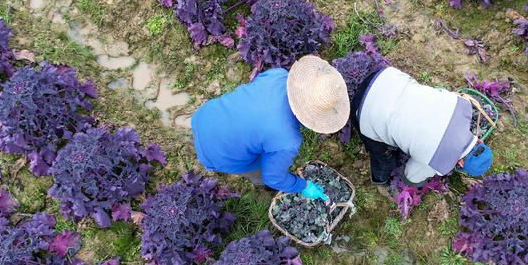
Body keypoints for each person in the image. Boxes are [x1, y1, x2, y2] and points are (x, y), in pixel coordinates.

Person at [191, 55, 349, 199]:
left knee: (258, 137)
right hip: (215, 155)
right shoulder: (287, 141)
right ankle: (262, 186)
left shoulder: (278, 75)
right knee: (261, 172)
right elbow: (273, 177)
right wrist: (303, 186)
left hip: (202, 116)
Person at [351, 65, 493, 188]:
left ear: (480, 141)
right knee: (382, 157)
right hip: (365, 111)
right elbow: (411, 176)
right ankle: (380, 178)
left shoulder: (463, 106)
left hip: (385, 77)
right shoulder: (438, 163)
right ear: (460, 163)